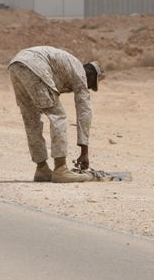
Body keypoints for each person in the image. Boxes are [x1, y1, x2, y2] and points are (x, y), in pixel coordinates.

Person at [8, 46, 104, 183]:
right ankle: (60, 169)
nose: (87, 88)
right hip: (35, 65)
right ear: (91, 75)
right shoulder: (80, 72)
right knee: (58, 115)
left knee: (31, 119)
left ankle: (42, 168)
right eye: (91, 84)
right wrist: (84, 152)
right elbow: (84, 112)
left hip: (16, 64)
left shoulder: (68, 66)